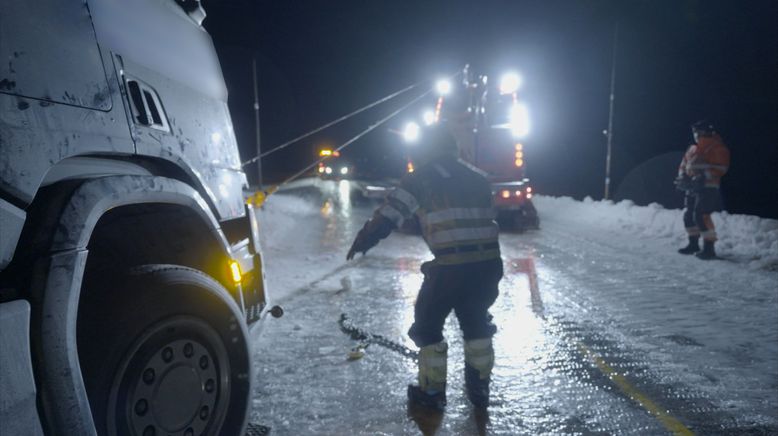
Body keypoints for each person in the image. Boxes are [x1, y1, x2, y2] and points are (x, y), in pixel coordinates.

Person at [346, 124, 503, 411]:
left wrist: (363, 241)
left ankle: (431, 394)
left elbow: (390, 215)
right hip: (488, 266)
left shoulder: (421, 179)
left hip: (450, 267)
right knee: (476, 323)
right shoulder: (477, 178)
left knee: (428, 326)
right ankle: (480, 391)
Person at [675, 120, 730, 259]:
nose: (696, 135)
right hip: (693, 187)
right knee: (689, 216)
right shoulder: (693, 149)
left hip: (708, 187)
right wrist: (683, 177)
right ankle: (693, 244)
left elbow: (721, 168)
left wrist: (702, 176)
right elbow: (684, 165)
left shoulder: (717, 148)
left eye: (698, 132)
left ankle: (709, 248)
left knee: (701, 216)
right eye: (695, 132)